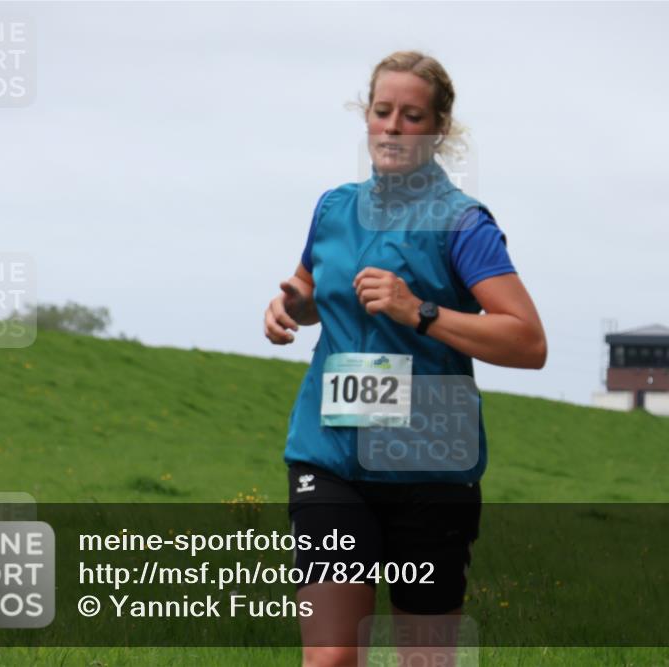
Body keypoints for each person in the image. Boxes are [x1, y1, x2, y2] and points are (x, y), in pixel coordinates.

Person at [264, 51, 546, 667]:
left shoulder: (462, 224)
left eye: (411, 115)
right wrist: (291, 307)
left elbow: (528, 342)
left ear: (440, 128)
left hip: (430, 465)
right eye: (382, 111)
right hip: (330, 458)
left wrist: (419, 310)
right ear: (366, 117)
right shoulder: (334, 209)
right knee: (332, 658)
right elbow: (311, 291)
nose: (392, 127)